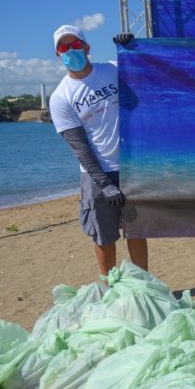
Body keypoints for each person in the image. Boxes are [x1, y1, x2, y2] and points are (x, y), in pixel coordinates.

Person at [48, 24, 147, 276]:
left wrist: (132, 49)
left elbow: (146, 70)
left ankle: (143, 283)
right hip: (96, 175)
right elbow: (79, 146)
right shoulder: (61, 97)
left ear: (86, 47)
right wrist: (104, 183)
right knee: (104, 236)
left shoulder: (114, 69)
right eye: (64, 47)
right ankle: (109, 287)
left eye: (75, 45)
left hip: (130, 168)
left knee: (136, 230)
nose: (70, 50)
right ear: (58, 54)